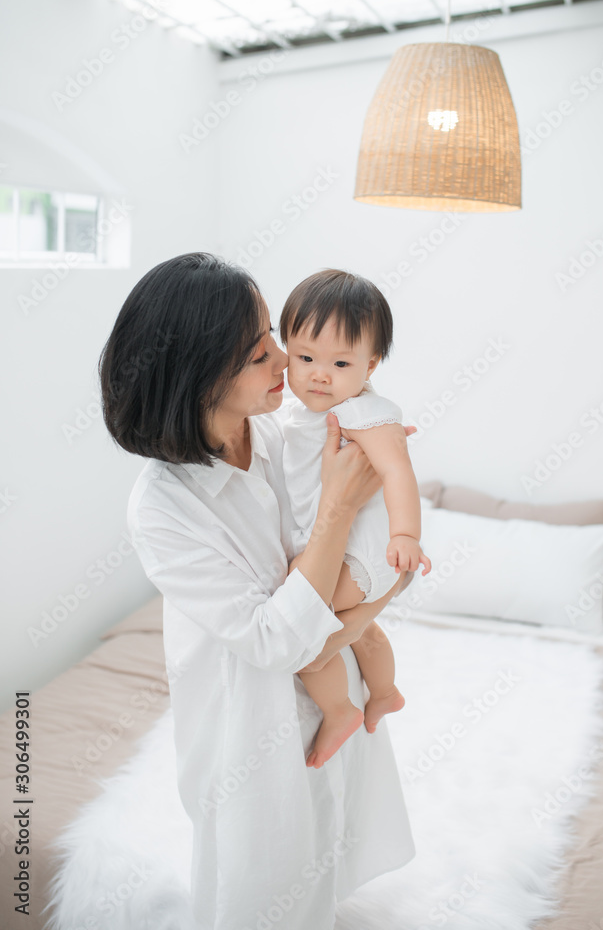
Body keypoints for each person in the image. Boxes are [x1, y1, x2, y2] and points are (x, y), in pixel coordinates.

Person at [98, 252, 416, 930]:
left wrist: (377, 590)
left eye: (272, 333)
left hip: (336, 687)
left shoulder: (283, 435)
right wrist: (336, 513)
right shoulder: (164, 506)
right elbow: (275, 640)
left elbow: (374, 545)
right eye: (255, 351)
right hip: (251, 731)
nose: (284, 359)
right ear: (199, 374)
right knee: (260, 888)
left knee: (325, 862)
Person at [280, 269, 431, 770]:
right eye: (304, 358)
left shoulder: (365, 412)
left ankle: (339, 709)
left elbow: (397, 471)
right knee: (362, 631)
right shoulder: (295, 413)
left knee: (301, 621)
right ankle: (384, 692)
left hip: (365, 554)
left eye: (340, 362)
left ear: (371, 365)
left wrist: (407, 534)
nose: (319, 374)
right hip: (352, 554)